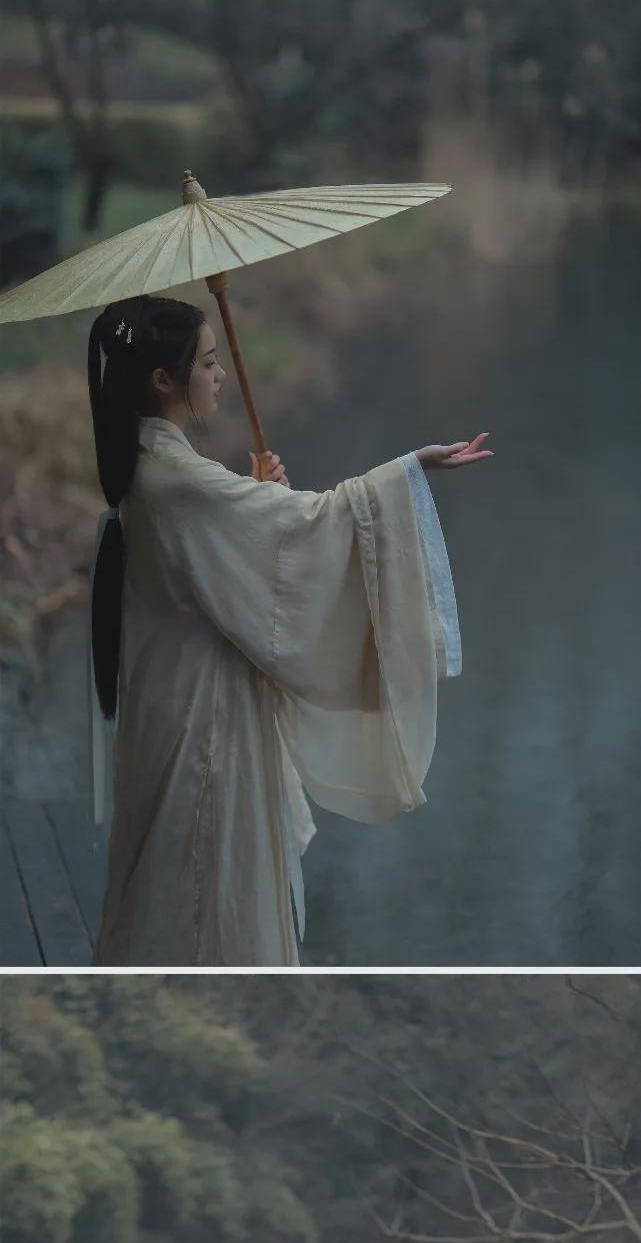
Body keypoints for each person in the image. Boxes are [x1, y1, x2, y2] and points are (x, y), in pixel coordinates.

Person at [87, 292, 489, 968]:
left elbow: (233, 548)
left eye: (218, 362)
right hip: (203, 716)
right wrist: (408, 472)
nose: (217, 375)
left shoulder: (148, 465)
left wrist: (254, 498)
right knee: (204, 879)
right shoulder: (182, 482)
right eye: (207, 363)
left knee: (174, 870)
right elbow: (308, 532)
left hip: (171, 699)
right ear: (163, 381)